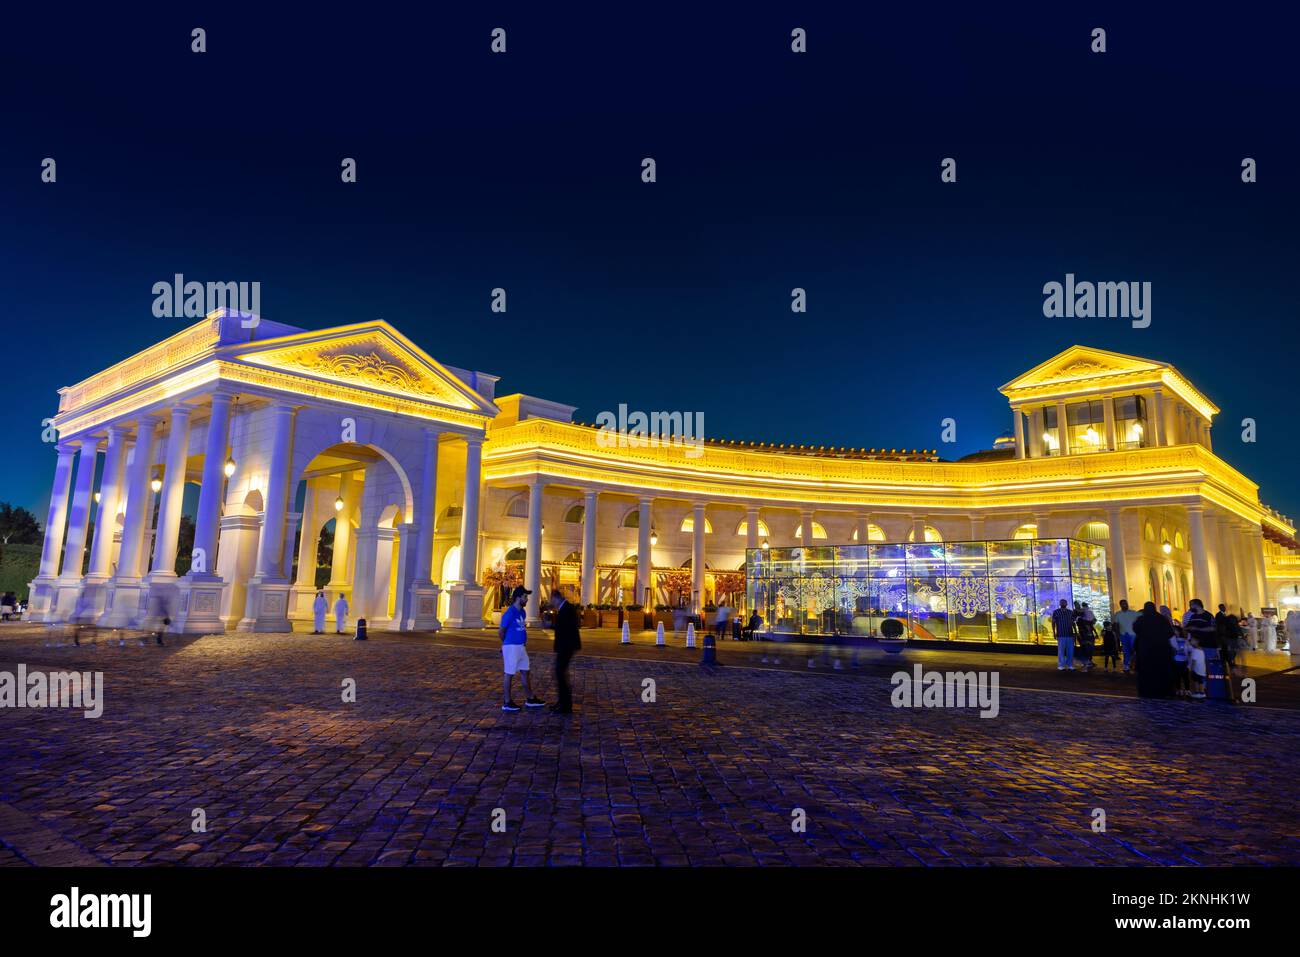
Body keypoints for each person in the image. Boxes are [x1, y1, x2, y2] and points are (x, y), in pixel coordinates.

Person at [498, 585, 545, 712]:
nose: (527, 599)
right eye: (525, 597)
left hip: (521, 647)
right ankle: (507, 701)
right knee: (509, 673)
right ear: (518, 598)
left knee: (525, 671)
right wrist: (506, 644)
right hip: (511, 646)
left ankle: (530, 698)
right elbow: (501, 631)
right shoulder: (510, 613)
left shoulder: (522, 612)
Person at [1133, 601, 1175, 698]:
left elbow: (1136, 630)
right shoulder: (1161, 619)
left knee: (1146, 673)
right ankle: (1163, 691)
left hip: (1145, 650)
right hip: (1161, 650)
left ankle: (1147, 692)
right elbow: (1170, 634)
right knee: (1161, 672)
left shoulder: (1141, 620)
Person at [549, 589, 581, 715]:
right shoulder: (565, 608)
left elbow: (566, 627)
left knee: (560, 674)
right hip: (565, 646)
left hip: (566, 646)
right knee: (560, 674)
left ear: (556, 598)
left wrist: (552, 626)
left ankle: (565, 705)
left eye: (552, 600)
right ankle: (562, 702)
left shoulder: (567, 609)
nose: (552, 603)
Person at [1113, 599, 1139, 674]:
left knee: (1134, 650)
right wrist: (1118, 634)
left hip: (1132, 634)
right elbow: (1116, 624)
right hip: (1123, 634)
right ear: (1120, 605)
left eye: (1126, 603)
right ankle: (1126, 665)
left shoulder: (1133, 613)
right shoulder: (1118, 614)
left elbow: (1141, 616)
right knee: (1126, 650)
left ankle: (1133, 664)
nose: (1125, 605)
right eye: (1123, 604)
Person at [1051, 599, 1075, 671]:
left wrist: (1075, 632)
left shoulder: (1070, 612)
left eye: (1064, 602)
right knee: (1061, 650)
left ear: (1066, 603)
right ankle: (1061, 665)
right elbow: (1053, 622)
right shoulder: (1056, 612)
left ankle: (1070, 664)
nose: (1063, 603)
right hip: (1061, 633)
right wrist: (1054, 632)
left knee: (1070, 650)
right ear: (1060, 603)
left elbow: (1073, 622)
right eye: (1062, 602)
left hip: (1069, 633)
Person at [1170, 622, 1190, 697]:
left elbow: (1187, 649)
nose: (1174, 632)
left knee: (1185, 676)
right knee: (1177, 676)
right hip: (1176, 660)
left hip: (1184, 660)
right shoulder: (1173, 639)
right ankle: (1179, 689)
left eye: (1176, 630)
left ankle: (1187, 690)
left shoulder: (1184, 640)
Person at [1076, 602, 1097, 671]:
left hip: (1086, 634)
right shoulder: (1083, 615)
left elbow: (1092, 623)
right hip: (1085, 634)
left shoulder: (1083, 615)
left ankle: (1088, 662)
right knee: (1086, 648)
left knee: (1087, 648)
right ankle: (1086, 663)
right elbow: (1093, 622)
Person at [1187, 634, 1208, 699]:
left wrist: (1191, 669)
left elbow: (1194, 661)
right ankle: (1201, 692)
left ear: (1197, 641)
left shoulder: (1195, 651)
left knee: (1196, 681)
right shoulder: (1201, 650)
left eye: (1192, 640)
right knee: (1200, 681)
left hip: (1196, 669)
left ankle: (1199, 692)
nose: (1190, 641)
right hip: (1201, 669)